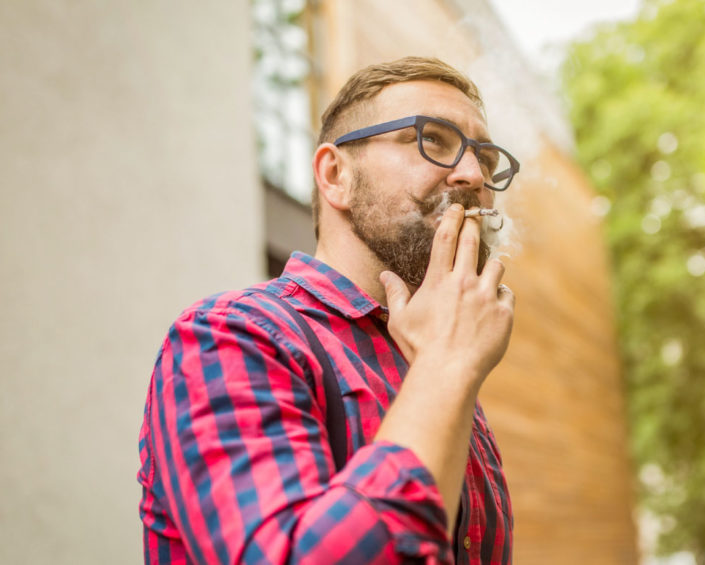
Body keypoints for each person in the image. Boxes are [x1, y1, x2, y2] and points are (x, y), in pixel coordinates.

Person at [137, 56, 520, 564]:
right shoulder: (231, 337)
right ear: (335, 174)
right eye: (432, 139)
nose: (473, 175)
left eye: (486, 159)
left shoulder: (434, 359)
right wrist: (447, 368)